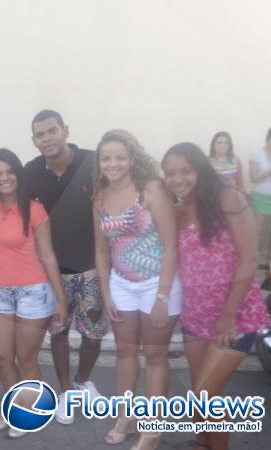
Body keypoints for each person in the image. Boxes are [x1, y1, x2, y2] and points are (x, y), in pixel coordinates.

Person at [162, 142, 270, 450]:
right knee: (202, 397)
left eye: (185, 171)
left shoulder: (228, 198)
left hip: (234, 315)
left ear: (200, 170)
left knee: (202, 395)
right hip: (195, 316)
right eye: (170, 174)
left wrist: (228, 314)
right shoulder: (177, 211)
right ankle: (202, 444)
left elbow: (249, 259)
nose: (177, 179)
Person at [92, 130, 181, 450]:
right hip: (121, 284)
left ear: (131, 158)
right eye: (106, 158)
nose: (113, 163)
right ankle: (126, 417)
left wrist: (162, 296)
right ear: (99, 162)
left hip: (158, 283)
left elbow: (171, 246)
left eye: (119, 156)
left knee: (155, 355)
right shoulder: (100, 197)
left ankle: (153, 429)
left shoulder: (151, 190)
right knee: (126, 352)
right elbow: (102, 251)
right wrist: (106, 291)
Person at [24, 109, 109, 424]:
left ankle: (83, 380)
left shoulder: (92, 163)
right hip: (52, 272)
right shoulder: (30, 173)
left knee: (94, 334)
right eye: (40, 134)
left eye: (52, 131)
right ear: (34, 140)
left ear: (65, 130)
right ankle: (63, 392)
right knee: (58, 333)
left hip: (91, 268)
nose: (47, 139)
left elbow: (129, 181)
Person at [0, 148, 68, 439]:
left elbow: (49, 255)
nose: (4, 178)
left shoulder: (34, 208)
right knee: (3, 357)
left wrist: (61, 298)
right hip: (0, 294)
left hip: (34, 293)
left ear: (18, 174)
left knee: (25, 359)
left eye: (9, 172)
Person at [248, 127, 271, 266]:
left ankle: (267, 260)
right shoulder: (256, 154)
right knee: (258, 230)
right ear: (268, 137)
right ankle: (255, 258)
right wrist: (268, 173)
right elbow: (253, 178)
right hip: (260, 196)